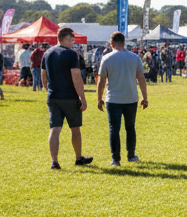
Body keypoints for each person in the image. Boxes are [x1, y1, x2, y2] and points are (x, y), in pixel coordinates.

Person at [41, 27, 93, 169]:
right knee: (75, 128)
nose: (72, 42)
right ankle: (78, 157)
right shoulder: (71, 54)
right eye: (71, 39)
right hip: (69, 97)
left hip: (53, 96)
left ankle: (54, 161)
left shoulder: (47, 53)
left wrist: (47, 89)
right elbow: (76, 77)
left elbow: (43, 75)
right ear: (64, 38)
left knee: (55, 128)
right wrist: (82, 97)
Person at [96, 31, 149, 167]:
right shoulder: (135, 57)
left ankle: (116, 159)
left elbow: (101, 81)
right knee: (130, 128)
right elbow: (141, 79)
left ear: (111, 43)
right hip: (131, 98)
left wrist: (99, 98)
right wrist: (145, 97)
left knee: (114, 129)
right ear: (124, 42)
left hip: (113, 99)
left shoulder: (107, 58)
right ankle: (131, 155)